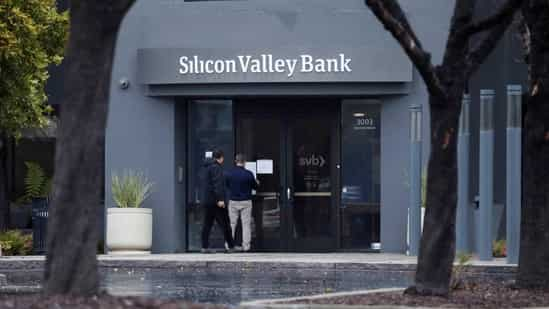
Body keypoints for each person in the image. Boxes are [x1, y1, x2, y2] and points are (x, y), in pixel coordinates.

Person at [201, 150, 235, 253]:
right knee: (225, 224)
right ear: (221, 158)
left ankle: (204, 247)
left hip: (208, 201)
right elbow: (217, 184)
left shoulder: (207, 168)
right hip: (216, 202)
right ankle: (231, 246)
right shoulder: (216, 168)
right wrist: (220, 199)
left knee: (207, 224)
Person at [226, 153, 258, 252]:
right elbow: (255, 187)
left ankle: (229, 245)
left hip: (233, 201)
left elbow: (227, 185)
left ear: (236, 161)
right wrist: (257, 182)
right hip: (246, 201)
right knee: (246, 225)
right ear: (244, 162)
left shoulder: (229, 173)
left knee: (231, 224)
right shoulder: (248, 174)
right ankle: (246, 246)